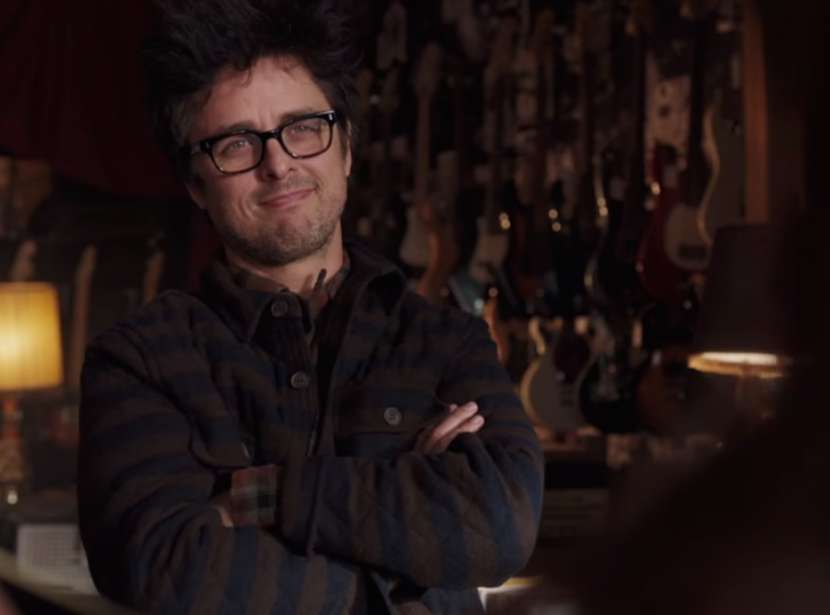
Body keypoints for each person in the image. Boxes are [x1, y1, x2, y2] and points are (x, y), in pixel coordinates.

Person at [76, 1, 544, 613]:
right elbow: (162, 570)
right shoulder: (138, 361)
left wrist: (262, 495)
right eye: (236, 143)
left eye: (302, 128)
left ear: (345, 147)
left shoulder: (446, 342)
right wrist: (404, 559)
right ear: (196, 184)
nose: (278, 164)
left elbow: (500, 526)